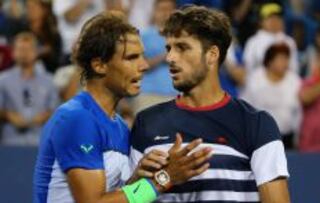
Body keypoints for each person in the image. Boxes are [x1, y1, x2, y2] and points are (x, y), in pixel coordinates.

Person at [33, 11, 212, 203]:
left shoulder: (119, 126)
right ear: (99, 65)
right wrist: (164, 179)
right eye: (131, 57)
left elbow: (117, 197)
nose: (143, 65)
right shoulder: (77, 118)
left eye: (142, 56)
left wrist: (140, 179)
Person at [130, 5, 290, 203]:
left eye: (182, 47)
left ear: (212, 54)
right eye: (169, 48)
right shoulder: (147, 122)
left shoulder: (256, 123)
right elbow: (130, 199)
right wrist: (160, 179)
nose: (170, 57)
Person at [0, 32, 59, 146]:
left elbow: (56, 111)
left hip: (41, 142)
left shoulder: (49, 81)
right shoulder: (2, 80)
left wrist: (44, 116)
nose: (24, 53)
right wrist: (9, 115)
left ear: (36, 52)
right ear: (13, 52)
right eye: (21, 49)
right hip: (10, 142)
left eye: (28, 49)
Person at [242, 43, 301, 149]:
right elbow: (245, 107)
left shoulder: (294, 80)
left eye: (286, 59)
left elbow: (298, 112)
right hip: (259, 137)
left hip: (287, 137)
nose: (285, 63)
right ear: (270, 61)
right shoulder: (255, 78)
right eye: (281, 59)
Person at [243, 3, 299, 76]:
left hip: (284, 83)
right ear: (261, 22)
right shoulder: (253, 41)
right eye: (270, 17)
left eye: (277, 17)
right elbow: (248, 69)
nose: (274, 20)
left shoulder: (290, 41)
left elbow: (294, 69)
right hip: (259, 83)